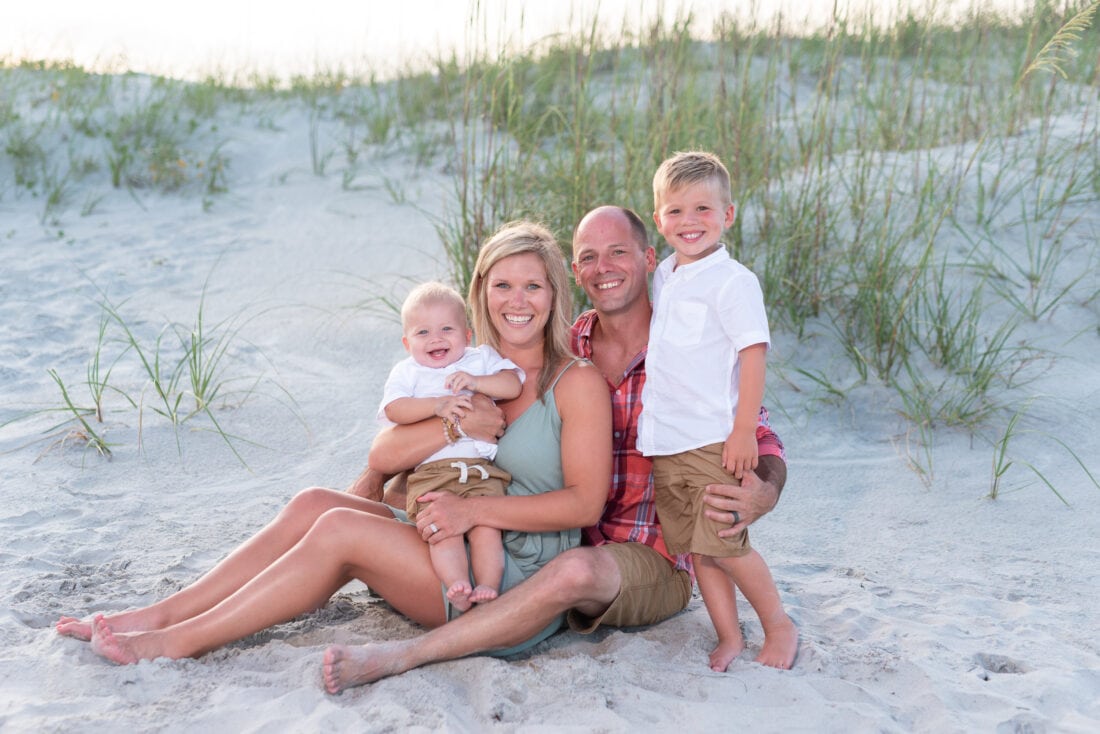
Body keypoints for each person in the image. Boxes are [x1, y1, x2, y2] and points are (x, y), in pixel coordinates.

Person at [55, 220, 612, 666]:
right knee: (314, 503)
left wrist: (472, 512)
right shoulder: (457, 368)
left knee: (339, 529)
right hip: (448, 536)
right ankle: (157, 615)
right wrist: (457, 425)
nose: (517, 300)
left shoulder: (575, 382)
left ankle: (177, 641)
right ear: (480, 293)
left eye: (533, 285)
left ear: (553, 293)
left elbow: (585, 504)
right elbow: (383, 456)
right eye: (502, 285)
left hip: (510, 579)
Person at [321, 204, 790, 693]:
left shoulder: (687, 344)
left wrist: (766, 491)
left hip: (647, 552)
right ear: (574, 272)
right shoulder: (566, 344)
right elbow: (448, 424)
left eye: (618, 253)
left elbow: (757, 430)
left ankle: (405, 656)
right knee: (351, 505)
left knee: (575, 569)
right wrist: (375, 477)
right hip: (551, 536)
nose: (603, 268)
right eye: (589, 257)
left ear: (650, 259)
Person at [641, 150, 797, 671]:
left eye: (704, 209)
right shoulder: (664, 277)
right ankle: (728, 636)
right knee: (700, 552)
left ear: (728, 215)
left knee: (729, 545)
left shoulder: (734, 282)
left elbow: (752, 354)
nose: (690, 223)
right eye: (676, 211)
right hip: (667, 444)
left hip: (713, 440)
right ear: (659, 218)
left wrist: (742, 431)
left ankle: (779, 626)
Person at [382, 281, 524, 611]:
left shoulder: (479, 359)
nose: (436, 339)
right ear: (407, 342)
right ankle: (457, 583)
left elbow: (512, 384)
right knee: (441, 531)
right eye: (422, 333)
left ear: (468, 334)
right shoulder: (408, 372)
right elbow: (394, 409)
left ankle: (488, 586)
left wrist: (476, 383)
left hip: (479, 470)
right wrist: (436, 406)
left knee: (487, 527)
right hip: (432, 473)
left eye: (447, 328)